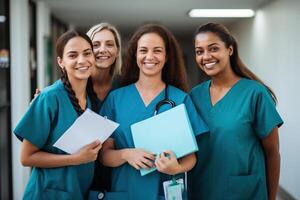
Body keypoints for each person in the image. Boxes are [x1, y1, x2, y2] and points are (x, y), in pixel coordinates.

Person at [100, 24, 208, 199]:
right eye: (143, 50)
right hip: (125, 191)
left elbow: (191, 157)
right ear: (135, 55)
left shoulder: (180, 99)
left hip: (164, 192)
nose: (149, 56)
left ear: (166, 57)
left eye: (157, 51)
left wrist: (177, 168)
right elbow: (104, 156)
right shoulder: (115, 99)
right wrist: (126, 154)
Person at [188, 22, 283, 200]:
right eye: (199, 51)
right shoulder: (194, 96)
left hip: (245, 193)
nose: (206, 56)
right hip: (201, 190)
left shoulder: (255, 93)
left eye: (213, 48)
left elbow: (272, 153)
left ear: (230, 50)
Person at [13, 30, 102, 199]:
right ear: (61, 62)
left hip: (78, 191)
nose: (82, 60)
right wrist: (75, 159)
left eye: (87, 53)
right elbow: (26, 158)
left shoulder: (90, 99)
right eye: (73, 55)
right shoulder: (49, 97)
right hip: (49, 193)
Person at [86, 23, 123, 195]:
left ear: (117, 51)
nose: (103, 50)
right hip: (81, 174)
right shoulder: (73, 87)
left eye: (109, 44)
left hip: (118, 174)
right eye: (96, 45)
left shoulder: (126, 86)